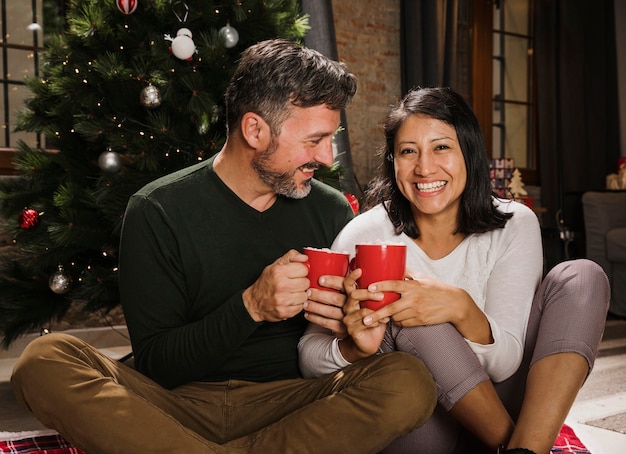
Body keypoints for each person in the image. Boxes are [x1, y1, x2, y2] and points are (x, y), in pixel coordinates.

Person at [11, 40, 437, 453]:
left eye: (330, 138)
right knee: (43, 361)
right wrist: (251, 305)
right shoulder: (158, 209)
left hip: (295, 406)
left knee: (409, 381)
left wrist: (353, 328)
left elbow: (333, 351)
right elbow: (158, 364)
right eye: (314, 140)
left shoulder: (328, 211)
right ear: (254, 129)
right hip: (172, 408)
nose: (327, 157)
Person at [298, 86, 610, 453]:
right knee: (413, 317)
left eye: (441, 147)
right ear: (393, 162)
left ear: (469, 152)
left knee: (583, 277)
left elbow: (506, 361)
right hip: (424, 420)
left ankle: (527, 445)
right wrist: (354, 348)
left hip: (507, 397)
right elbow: (309, 356)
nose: (424, 167)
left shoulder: (514, 223)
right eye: (408, 151)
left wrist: (459, 307)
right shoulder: (365, 234)